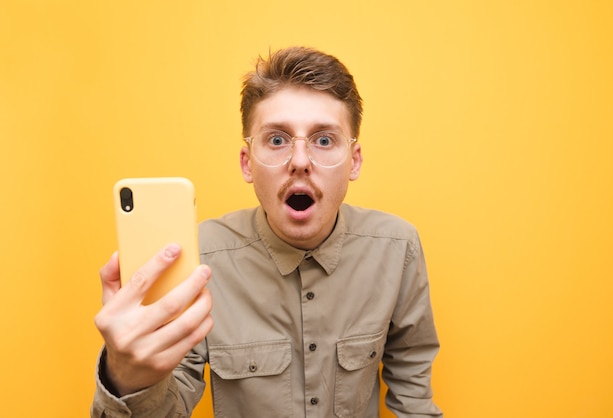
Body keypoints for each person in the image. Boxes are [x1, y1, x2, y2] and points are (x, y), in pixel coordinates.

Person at [91, 46, 443, 417]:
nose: (301, 162)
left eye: (324, 140)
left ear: (353, 161)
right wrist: (131, 378)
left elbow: (413, 387)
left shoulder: (397, 249)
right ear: (248, 163)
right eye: (277, 139)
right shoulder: (198, 261)